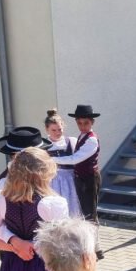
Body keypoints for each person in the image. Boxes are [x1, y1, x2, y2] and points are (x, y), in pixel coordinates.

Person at [48, 105, 103, 258]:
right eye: (79, 123)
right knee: (83, 212)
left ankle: (95, 249)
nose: (82, 126)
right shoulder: (82, 137)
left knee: (89, 213)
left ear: (92, 122)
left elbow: (75, 159)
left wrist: (51, 159)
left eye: (86, 123)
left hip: (89, 179)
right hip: (81, 178)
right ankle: (88, 246)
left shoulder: (91, 140)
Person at [43, 109, 83, 216]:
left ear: (63, 127)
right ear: (47, 129)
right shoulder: (43, 145)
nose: (57, 133)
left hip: (69, 180)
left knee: (71, 207)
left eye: (59, 129)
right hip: (51, 181)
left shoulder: (71, 141)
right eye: (53, 130)